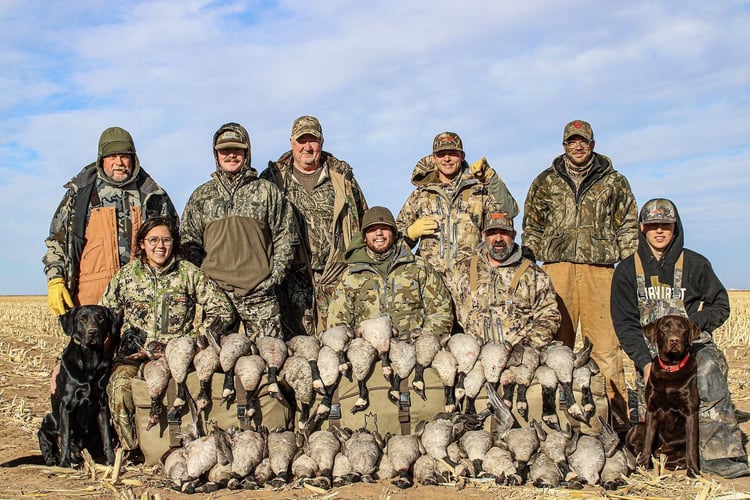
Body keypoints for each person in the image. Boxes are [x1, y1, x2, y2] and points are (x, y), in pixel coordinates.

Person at [611, 198, 750, 478]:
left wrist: (689, 327)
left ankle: (720, 454)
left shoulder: (696, 264)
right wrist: (644, 362)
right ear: (642, 228)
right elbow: (625, 324)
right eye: (653, 226)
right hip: (654, 355)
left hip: (694, 350)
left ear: (675, 227)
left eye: (665, 225)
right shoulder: (627, 270)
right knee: (649, 418)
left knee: (708, 370)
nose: (659, 231)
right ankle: (664, 453)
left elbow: (720, 305)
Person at [522, 119, 637, 433]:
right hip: (556, 268)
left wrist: (627, 267)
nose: (577, 146)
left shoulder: (614, 182)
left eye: (583, 141)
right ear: (564, 146)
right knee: (555, 346)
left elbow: (627, 226)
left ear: (592, 144)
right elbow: (532, 225)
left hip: (600, 271)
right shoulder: (545, 181)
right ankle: (551, 421)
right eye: (572, 141)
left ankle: (618, 422)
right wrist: (530, 259)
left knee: (605, 348)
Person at [100, 216, 235, 453]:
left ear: (174, 243)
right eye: (153, 240)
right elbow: (105, 315)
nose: (160, 246)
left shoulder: (188, 273)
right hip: (135, 356)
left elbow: (223, 309)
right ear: (142, 243)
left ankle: (189, 442)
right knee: (119, 387)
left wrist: (195, 338)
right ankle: (132, 450)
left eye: (166, 240)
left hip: (178, 355)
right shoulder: (126, 276)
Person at [43, 126, 177, 317]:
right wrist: (55, 279)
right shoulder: (81, 193)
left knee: (139, 347)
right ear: (101, 159)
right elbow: (57, 240)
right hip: (92, 297)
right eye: (112, 156)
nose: (119, 163)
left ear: (133, 158)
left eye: (124, 156)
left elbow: (174, 242)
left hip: (142, 296)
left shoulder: (153, 195)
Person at [181, 122, 294, 339]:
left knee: (271, 360)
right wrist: (203, 287)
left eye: (237, 150)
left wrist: (274, 278)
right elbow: (189, 244)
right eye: (225, 150)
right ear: (216, 154)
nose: (231, 155)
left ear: (247, 152)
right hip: (216, 299)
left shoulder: (266, 191)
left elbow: (285, 237)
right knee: (215, 365)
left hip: (259, 296)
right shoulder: (201, 196)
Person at [261, 115, 368, 337]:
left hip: (336, 276)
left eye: (313, 140)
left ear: (322, 142)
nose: (307, 147)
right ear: (292, 143)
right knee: (294, 347)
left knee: (339, 344)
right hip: (290, 279)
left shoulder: (342, 179)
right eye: (302, 141)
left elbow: (363, 221)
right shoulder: (272, 180)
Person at [396, 131, 518, 279]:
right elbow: (393, 243)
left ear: (462, 156)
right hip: (430, 284)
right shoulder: (420, 195)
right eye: (441, 154)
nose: (447, 158)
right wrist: (410, 233)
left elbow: (509, 212)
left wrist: (491, 179)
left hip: (471, 281)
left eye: (452, 153)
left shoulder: (478, 190)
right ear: (434, 158)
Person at [327, 206, 453, 339]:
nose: (379, 233)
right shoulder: (350, 275)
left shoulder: (419, 268)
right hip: (367, 353)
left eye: (385, 228)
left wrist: (424, 343)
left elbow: (441, 309)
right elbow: (336, 324)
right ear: (364, 237)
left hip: (413, 351)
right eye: (372, 229)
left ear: (393, 233)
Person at [446, 211, 559, 349]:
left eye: (504, 232)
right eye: (492, 232)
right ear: (483, 235)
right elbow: (443, 310)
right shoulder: (461, 270)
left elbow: (549, 316)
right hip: (472, 357)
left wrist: (525, 348)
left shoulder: (534, 275)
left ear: (513, 235)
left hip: (519, 359)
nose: (498, 238)